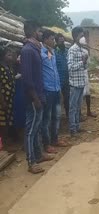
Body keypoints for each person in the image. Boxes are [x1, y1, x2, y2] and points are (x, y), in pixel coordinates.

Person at [21, 21, 53, 174]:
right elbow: (27, 78)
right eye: (39, 31)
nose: (41, 34)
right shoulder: (27, 50)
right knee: (31, 130)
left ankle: (38, 155)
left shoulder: (35, 48)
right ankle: (31, 162)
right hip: (34, 98)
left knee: (36, 128)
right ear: (33, 31)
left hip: (39, 95)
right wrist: (35, 98)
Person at [41, 30, 69, 154]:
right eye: (52, 39)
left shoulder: (52, 52)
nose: (54, 41)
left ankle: (55, 139)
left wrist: (59, 88)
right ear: (46, 39)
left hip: (56, 89)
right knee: (46, 118)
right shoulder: (40, 52)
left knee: (56, 116)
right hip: (47, 89)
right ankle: (46, 144)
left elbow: (54, 71)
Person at [68, 27, 88, 137]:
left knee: (78, 107)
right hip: (74, 84)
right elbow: (70, 67)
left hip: (81, 82)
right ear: (75, 37)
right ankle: (72, 129)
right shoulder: (73, 50)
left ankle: (77, 126)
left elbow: (83, 67)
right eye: (81, 36)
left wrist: (84, 63)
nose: (83, 38)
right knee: (73, 107)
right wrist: (82, 62)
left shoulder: (81, 50)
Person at [0, 47, 15, 147]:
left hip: (9, 98)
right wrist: (2, 101)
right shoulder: (1, 68)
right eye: (8, 55)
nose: (11, 57)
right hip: (3, 99)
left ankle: (7, 140)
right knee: (3, 121)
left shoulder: (9, 67)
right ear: (3, 56)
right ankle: (4, 141)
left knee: (8, 119)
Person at [55, 33, 69, 117]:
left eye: (63, 41)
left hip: (67, 79)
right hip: (58, 79)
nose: (62, 42)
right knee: (58, 99)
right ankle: (57, 116)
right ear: (57, 41)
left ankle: (68, 114)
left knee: (67, 97)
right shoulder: (54, 51)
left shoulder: (66, 51)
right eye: (60, 41)